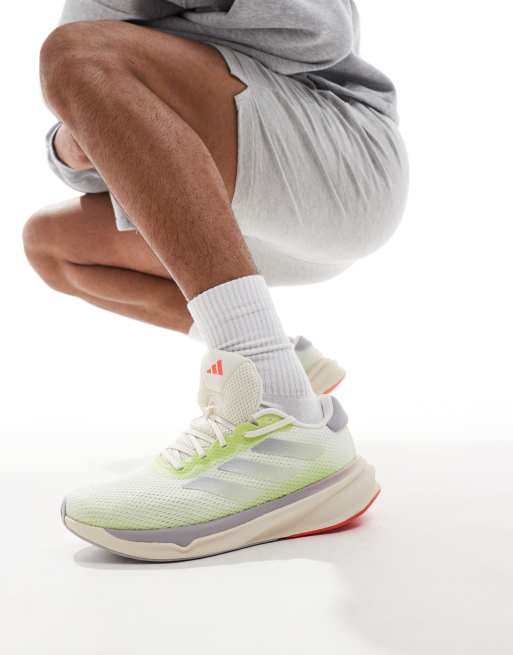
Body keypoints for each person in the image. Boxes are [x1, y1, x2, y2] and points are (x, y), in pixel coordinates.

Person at [23, 1, 408, 561]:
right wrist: (68, 146)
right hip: (235, 217)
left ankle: (279, 415)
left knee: (79, 53)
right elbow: (87, 147)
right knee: (52, 245)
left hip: (342, 166)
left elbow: (322, 30)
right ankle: (278, 360)